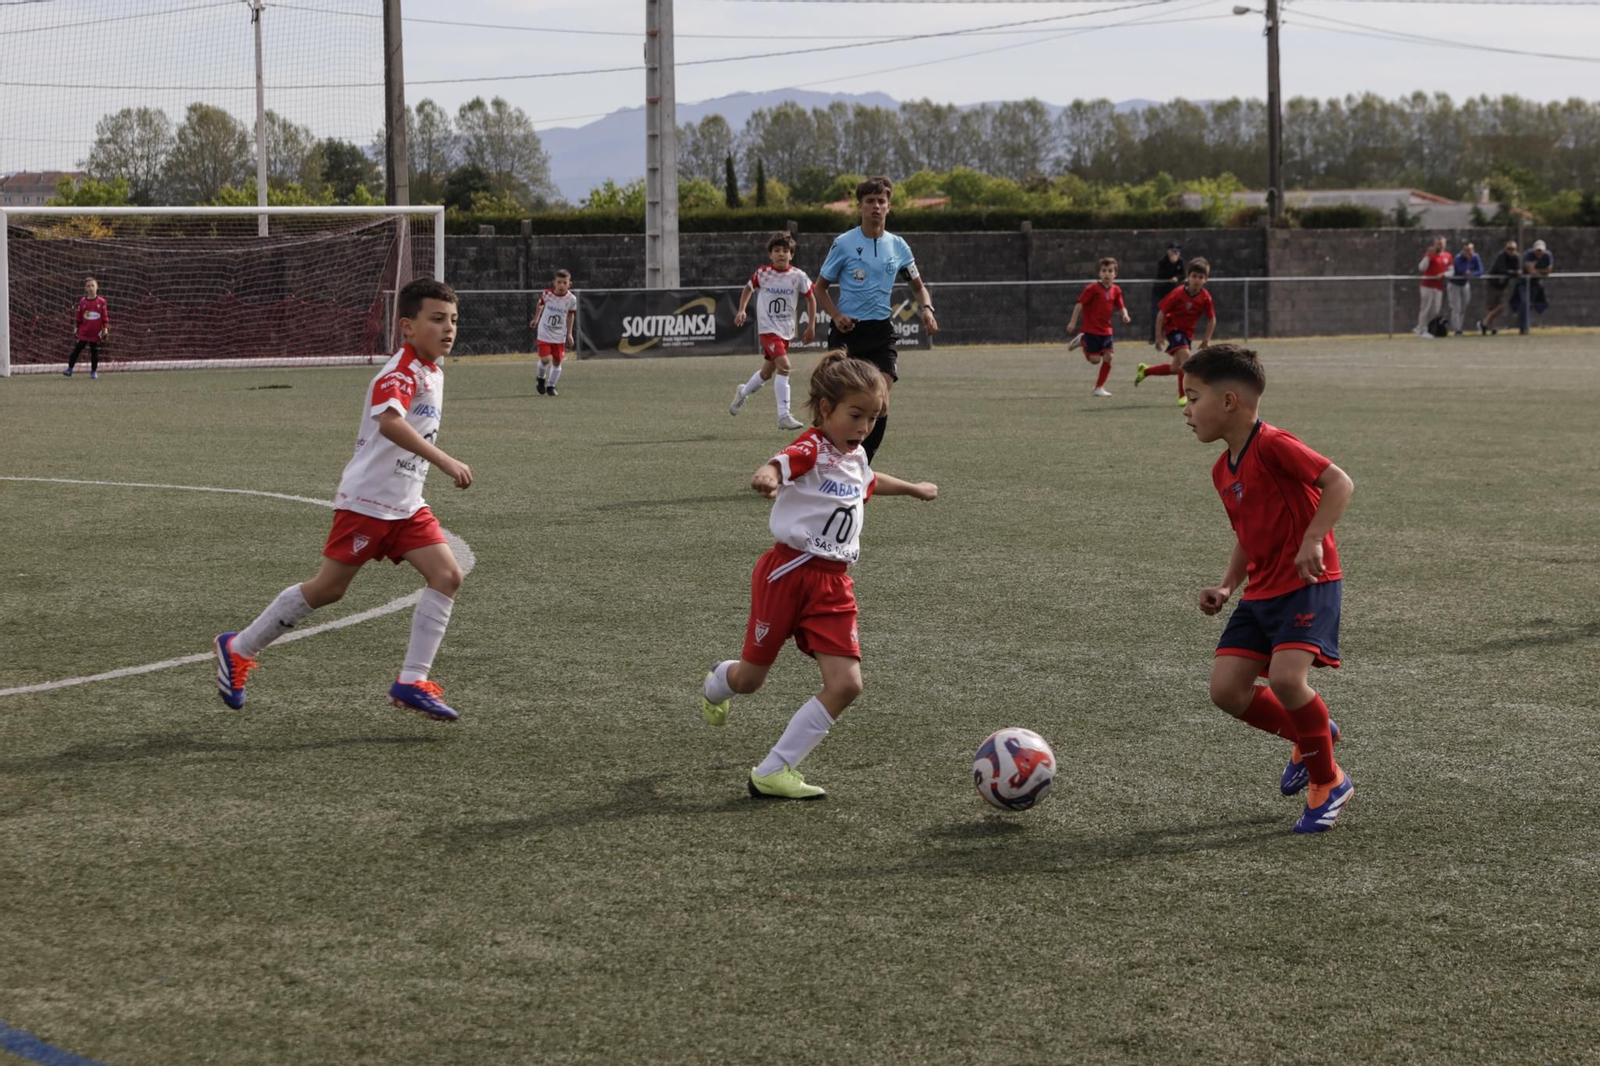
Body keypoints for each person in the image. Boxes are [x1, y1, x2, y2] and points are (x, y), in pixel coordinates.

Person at [215, 278, 474, 722]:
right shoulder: (399, 372)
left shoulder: (433, 370)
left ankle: (412, 680)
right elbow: (390, 423)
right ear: (407, 327)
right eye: (437, 319)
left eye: (453, 320)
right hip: (367, 503)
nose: (448, 329)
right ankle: (237, 649)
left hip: (407, 504)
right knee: (329, 589)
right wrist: (445, 460)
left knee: (447, 575)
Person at [700, 350, 938, 800]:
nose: (864, 427)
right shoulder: (811, 445)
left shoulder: (855, 457)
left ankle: (774, 770)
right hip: (788, 573)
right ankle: (717, 683)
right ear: (826, 409)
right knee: (750, 680)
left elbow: (869, 481)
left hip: (833, 584)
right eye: (856, 415)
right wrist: (768, 474)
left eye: (872, 418)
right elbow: (784, 460)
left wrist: (912, 489)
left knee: (847, 684)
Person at [1184, 343, 1356, 833]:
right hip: (1261, 590)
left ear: (1230, 401)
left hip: (1307, 582)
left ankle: (1329, 781)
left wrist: (1312, 539)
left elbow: (1339, 482)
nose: (1186, 412)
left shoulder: (1275, 444)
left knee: (1285, 678)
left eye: (1192, 398)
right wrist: (1226, 584)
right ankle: (1311, 731)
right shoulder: (1223, 470)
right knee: (1226, 690)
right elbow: (1248, 535)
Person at [814, 176, 939, 462]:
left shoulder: (898, 246)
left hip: (881, 331)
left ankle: (862, 463)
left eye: (881, 201)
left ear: (889, 207)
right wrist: (836, 315)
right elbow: (819, 287)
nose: (876, 206)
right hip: (848, 333)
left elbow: (918, 287)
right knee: (837, 402)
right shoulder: (844, 243)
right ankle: (823, 457)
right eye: (870, 201)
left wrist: (928, 309)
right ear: (860, 206)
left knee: (880, 400)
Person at [730, 232, 817, 430]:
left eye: (785, 251)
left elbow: (811, 298)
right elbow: (748, 289)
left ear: (791, 255)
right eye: (776, 251)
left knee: (766, 373)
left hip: (786, 331)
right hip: (768, 330)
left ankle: (742, 393)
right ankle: (783, 415)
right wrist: (742, 309)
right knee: (785, 366)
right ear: (770, 255)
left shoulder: (798, 276)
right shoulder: (763, 273)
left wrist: (811, 325)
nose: (781, 254)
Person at [1139, 256, 1216, 407]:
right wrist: (1158, 336)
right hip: (1173, 328)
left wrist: (1206, 339)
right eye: (1194, 276)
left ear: (1206, 279)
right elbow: (1161, 313)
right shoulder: (1178, 293)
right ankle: (1183, 396)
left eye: (1201, 277)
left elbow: (1212, 319)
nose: (1197, 280)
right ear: (1188, 277)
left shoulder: (1205, 297)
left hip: (1187, 334)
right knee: (1187, 360)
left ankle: (1145, 371)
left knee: (1176, 368)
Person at [1065, 257, 1130, 398]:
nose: (1107, 274)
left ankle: (1099, 387)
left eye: (1110, 271)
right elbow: (1079, 305)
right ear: (1099, 274)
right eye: (1104, 271)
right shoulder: (1092, 289)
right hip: (1090, 330)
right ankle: (1082, 341)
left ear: (1115, 274)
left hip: (1106, 330)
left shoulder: (1116, 290)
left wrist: (1125, 315)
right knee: (1094, 360)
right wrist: (1072, 322)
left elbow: (1121, 306)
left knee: (1108, 357)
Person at [530, 269, 577, 396]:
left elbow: (570, 316)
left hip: (559, 334)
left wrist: (569, 334)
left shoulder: (571, 299)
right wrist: (536, 319)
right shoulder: (547, 294)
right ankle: (541, 379)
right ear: (554, 283)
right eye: (559, 282)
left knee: (557, 361)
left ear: (569, 284)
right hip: (545, 332)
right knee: (545, 360)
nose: (561, 285)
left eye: (564, 282)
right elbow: (540, 304)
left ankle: (551, 386)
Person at [64, 277, 109, 379]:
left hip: (96, 333)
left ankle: (93, 371)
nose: (91, 288)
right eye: (88, 286)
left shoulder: (101, 302)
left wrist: (105, 329)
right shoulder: (83, 302)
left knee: (95, 353)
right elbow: (79, 317)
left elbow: (104, 317)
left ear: (97, 287)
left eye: (93, 285)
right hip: (84, 332)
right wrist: (76, 327)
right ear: (85, 288)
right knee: (76, 350)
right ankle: (69, 369)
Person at [1414, 236, 1453, 339]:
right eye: (1438, 243)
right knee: (1425, 308)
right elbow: (1422, 267)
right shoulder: (1430, 255)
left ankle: (1421, 326)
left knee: (1435, 310)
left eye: (1442, 243)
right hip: (1427, 285)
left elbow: (1451, 271)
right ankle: (1422, 330)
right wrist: (1428, 256)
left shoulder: (1447, 256)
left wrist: (1444, 274)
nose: (1440, 245)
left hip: (1438, 286)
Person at [1479, 239, 1520, 335]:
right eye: (1509, 248)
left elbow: (1518, 271)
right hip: (1493, 284)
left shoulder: (1516, 258)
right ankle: (1490, 327)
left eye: (1513, 249)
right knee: (1491, 307)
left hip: (1503, 285)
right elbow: (1503, 270)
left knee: (1501, 306)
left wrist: (1512, 273)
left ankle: (1484, 323)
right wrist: (1512, 272)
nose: (1511, 251)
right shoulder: (1501, 256)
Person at [1149, 243, 1185, 343]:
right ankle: (1154, 338)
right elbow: (1161, 275)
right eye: (1173, 251)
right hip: (1159, 292)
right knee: (1156, 314)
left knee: (1173, 316)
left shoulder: (1180, 261)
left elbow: (1183, 274)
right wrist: (1172, 264)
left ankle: (1171, 336)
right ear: (1168, 251)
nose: (1176, 253)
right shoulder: (1162, 262)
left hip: (1171, 293)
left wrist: (1177, 278)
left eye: (1177, 251)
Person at [1514, 238, 1554, 328]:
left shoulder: (1548, 255)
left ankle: (1526, 326)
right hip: (1524, 283)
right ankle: (1523, 327)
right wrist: (1542, 272)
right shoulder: (1528, 254)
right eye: (1537, 250)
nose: (1539, 253)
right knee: (1524, 302)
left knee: (1532, 304)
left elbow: (1548, 271)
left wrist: (1538, 271)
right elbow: (1531, 271)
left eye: (1541, 251)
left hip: (1536, 283)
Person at [1448, 241, 1483, 336]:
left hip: (1465, 283)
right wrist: (1468, 272)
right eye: (1466, 250)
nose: (1469, 252)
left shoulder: (1475, 257)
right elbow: (1460, 270)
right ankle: (1457, 330)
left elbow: (1480, 271)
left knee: (1464, 307)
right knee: (1456, 308)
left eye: (1470, 250)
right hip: (1454, 284)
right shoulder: (1459, 258)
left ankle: (1460, 327)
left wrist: (1471, 274)